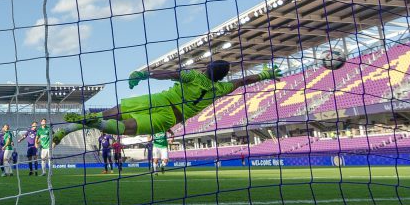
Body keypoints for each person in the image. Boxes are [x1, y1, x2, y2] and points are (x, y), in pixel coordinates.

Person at [57, 61, 281, 143]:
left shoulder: (193, 76)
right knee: (125, 129)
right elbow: (243, 81)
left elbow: (170, 74)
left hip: (158, 99)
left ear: (206, 69)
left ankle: (70, 128)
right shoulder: (221, 88)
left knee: (110, 113)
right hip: (170, 117)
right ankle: (94, 125)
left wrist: (145, 74)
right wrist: (265, 75)